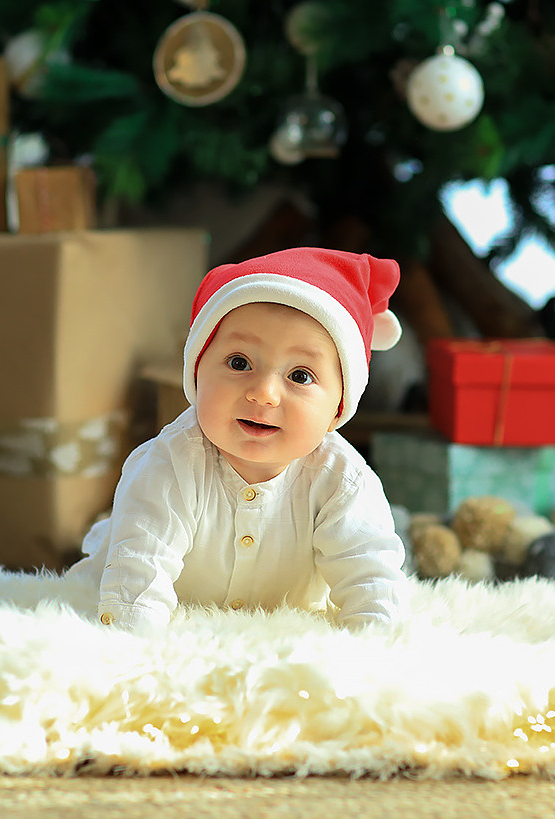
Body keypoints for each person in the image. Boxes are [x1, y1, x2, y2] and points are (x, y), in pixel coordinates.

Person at [65, 247, 411, 635]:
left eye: (299, 376)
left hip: (272, 632)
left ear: (338, 409)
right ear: (197, 375)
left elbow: (372, 580)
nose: (264, 394)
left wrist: (375, 658)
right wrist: (131, 654)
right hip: (153, 615)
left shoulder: (343, 481)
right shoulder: (170, 463)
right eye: (239, 363)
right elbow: (139, 570)